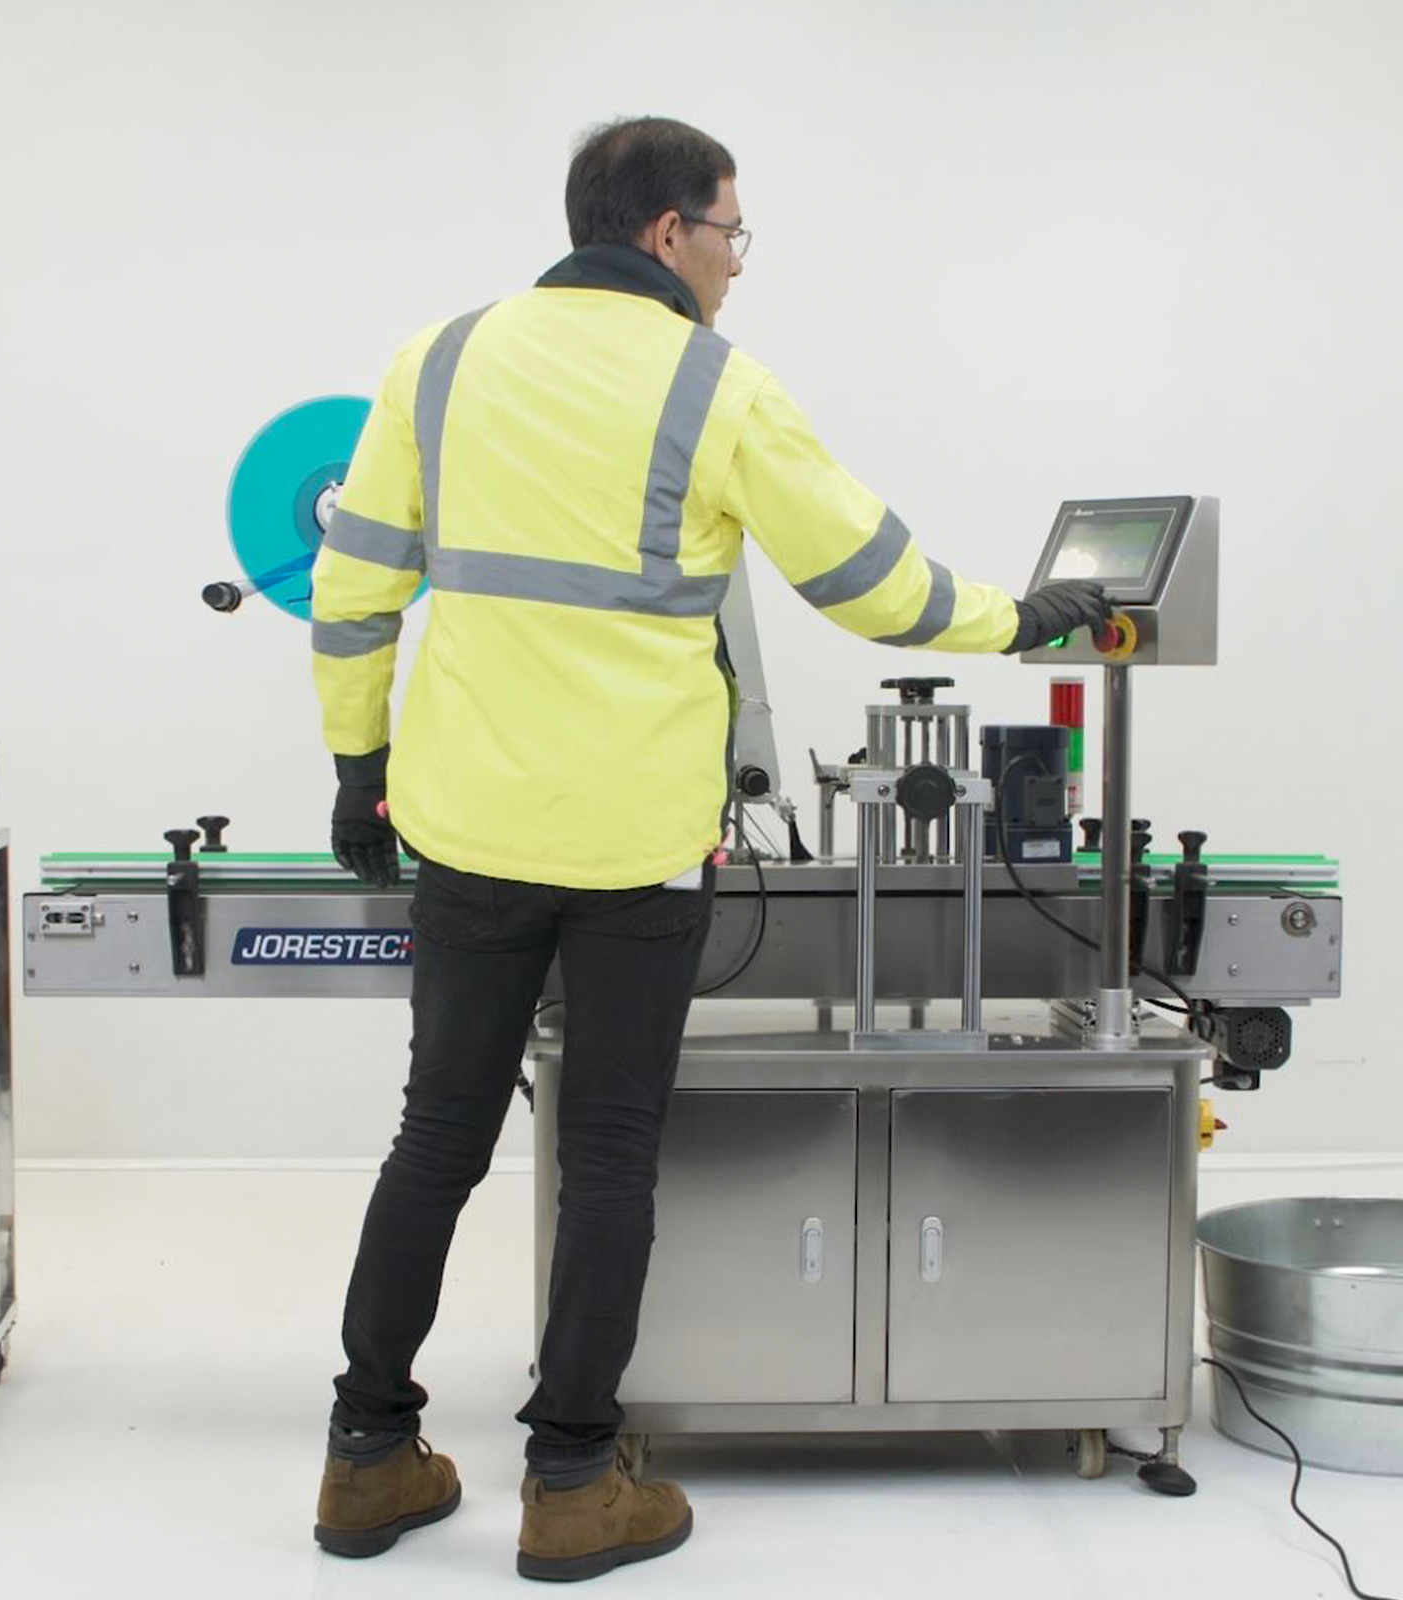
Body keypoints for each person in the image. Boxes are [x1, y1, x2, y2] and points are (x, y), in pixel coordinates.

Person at [308, 115, 1110, 1583]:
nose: (739, 264)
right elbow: (872, 583)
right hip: (633, 847)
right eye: (734, 233)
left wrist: (360, 766)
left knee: (438, 1140)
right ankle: (569, 1483)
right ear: (670, 230)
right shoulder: (716, 384)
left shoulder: (439, 359)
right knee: (610, 1152)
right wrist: (1021, 620)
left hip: (467, 828)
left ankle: (367, 1460)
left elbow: (354, 590)